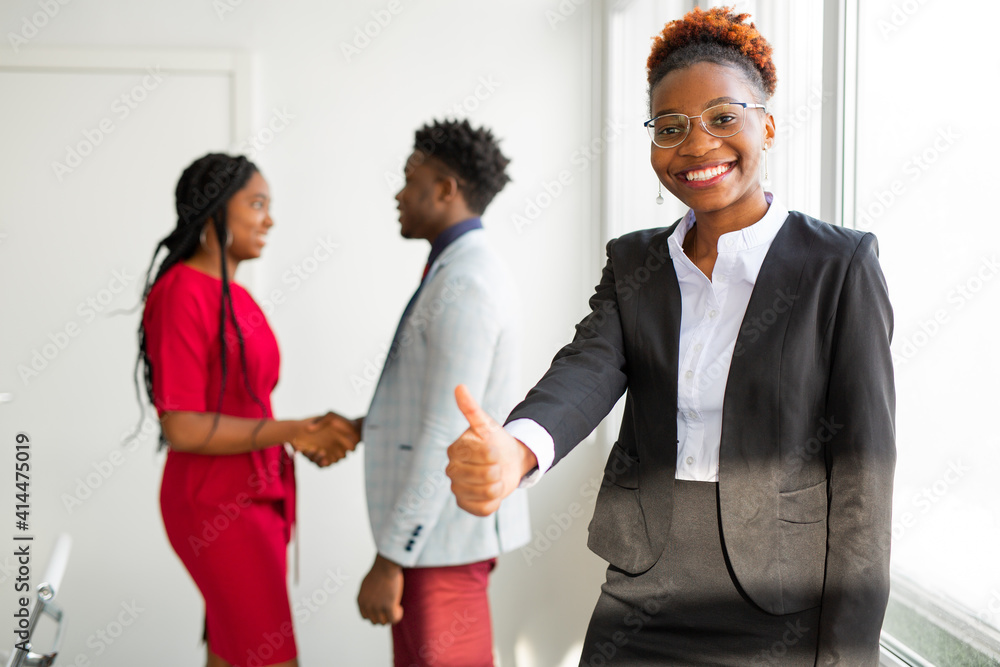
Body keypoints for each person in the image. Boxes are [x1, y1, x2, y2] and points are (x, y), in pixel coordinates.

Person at [446, 7, 895, 666]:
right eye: (672, 126)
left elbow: (864, 479)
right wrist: (517, 449)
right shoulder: (636, 263)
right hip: (642, 594)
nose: (697, 144)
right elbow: (586, 369)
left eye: (723, 117)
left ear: (766, 125)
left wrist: (849, 653)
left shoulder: (840, 266)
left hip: (782, 607)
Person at [315, 119, 530, 667]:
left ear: (445, 189)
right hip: (433, 544)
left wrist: (390, 559)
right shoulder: (452, 270)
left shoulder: (466, 282)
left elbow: (445, 427)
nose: (398, 193)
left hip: (440, 549)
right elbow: (433, 405)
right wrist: (367, 426)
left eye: (410, 179)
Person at [136, 153, 354, 667]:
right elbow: (182, 425)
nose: (269, 219)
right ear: (213, 210)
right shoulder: (181, 292)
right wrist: (295, 429)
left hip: (258, 492)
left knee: (234, 650)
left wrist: (304, 431)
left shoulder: (239, 297)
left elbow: (247, 403)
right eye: (256, 204)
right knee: (268, 655)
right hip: (215, 503)